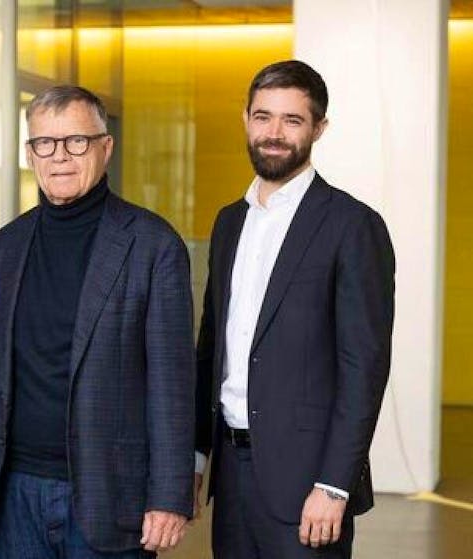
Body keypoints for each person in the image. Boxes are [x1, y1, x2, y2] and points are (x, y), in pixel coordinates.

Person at [0, 85, 196, 558]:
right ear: (30, 154)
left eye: (77, 141)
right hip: (17, 492)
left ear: (105, 147)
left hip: (110, 492)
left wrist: (169, 496)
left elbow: (173, 382)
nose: (60, 157)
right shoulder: (2, 249)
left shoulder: (154, 246)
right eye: (44, 144)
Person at [194, 59, 395, 559]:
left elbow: (363, 368)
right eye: (263, 117)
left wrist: (334, 485)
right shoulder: (228, 224)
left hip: (309, 484)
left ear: (319, 129)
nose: (274, 133)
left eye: (292, 120)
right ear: (245, 120)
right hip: (232, 479)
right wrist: (198, 456)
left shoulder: (353, 226)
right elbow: (210, 347)